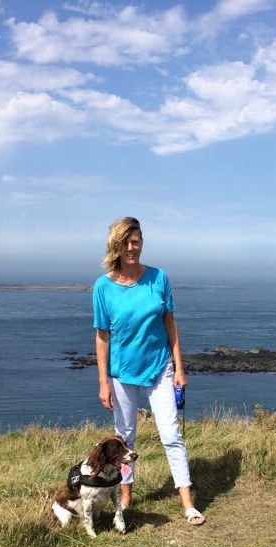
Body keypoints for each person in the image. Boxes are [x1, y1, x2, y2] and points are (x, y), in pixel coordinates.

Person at [92, 216, 205, 525]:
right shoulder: (103, 287)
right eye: (126, 242)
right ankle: (126, 496)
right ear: (116, 246)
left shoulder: (158, 278)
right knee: (125, 438)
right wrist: (103, 382)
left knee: (171, 434)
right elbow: (102, 337)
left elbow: (170, 324)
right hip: (122, 373)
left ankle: (188, 503)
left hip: (159, 367)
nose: (132, 248)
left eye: (137, 241)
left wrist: (179, 368)